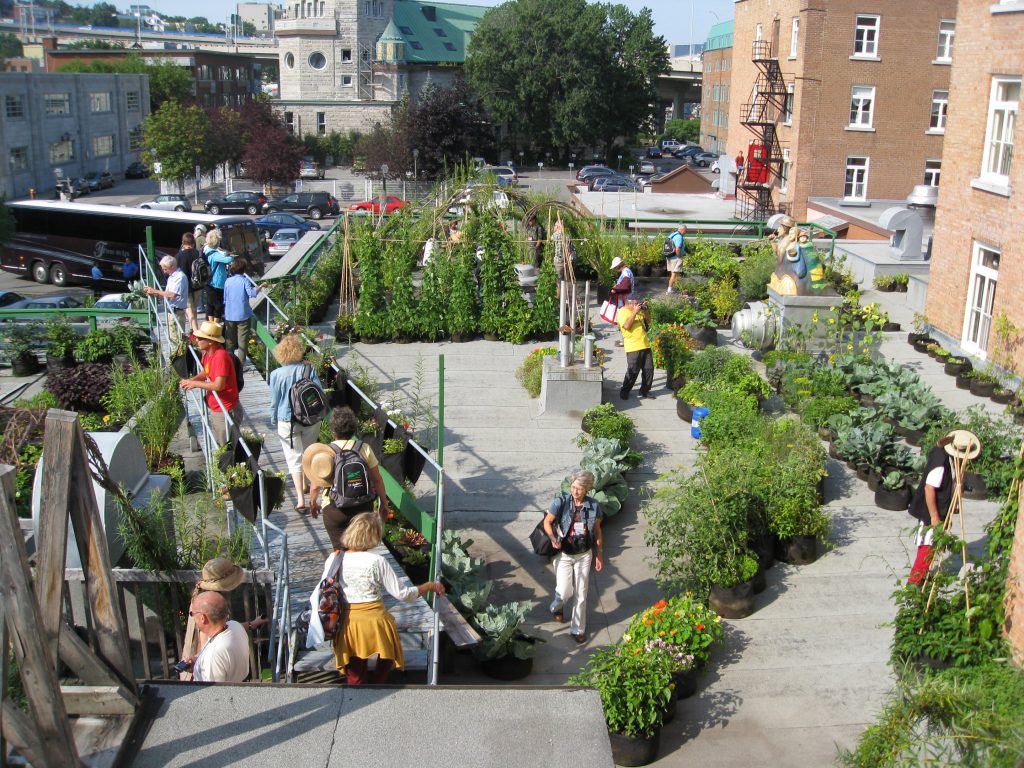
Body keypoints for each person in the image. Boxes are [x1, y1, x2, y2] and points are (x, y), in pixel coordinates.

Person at [328, 512, 445, 684]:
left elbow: (322, 589)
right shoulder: (377, 561)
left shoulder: (335, 558)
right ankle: (378, 686)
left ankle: (356, 699)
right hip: (376, 622)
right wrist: (429, 586)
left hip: (347, 622)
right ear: (373, 536)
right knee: (387, 658)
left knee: (355, 676)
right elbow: (402, 594)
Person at [302, 407, 388, 551]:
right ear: (354, 429)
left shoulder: (325, 452)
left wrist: (313, 504)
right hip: (363, 507)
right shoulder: (364, 448)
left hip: (335, 509)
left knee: (339, 553)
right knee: (360, 551)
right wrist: (384, 504)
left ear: (333, 430)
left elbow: (315, 486)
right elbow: (377, 480)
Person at [907, 430, 980, 585]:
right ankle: (915, 582)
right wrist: (934, 517)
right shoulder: (940, 463)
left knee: (930, 545)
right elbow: (929, 488)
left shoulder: (944, 454)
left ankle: (921, 576)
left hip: (939, 508)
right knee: (928, 546)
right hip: (931, 511)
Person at [180, 557, 268, 679]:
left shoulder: (210, 599)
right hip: (204, 670)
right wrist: (198, 662)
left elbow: (227, 626)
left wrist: (252, 624)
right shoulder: (205, 606)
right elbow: (206, 644)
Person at [542, 469, 604, 644]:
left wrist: (599, 554)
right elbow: (547, 522)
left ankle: (578, 629)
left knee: (581, 594)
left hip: (584, 555)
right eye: (573, 487)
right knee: (564, 591)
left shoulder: (594, 506)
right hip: (564, 554)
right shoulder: (560, 502)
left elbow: (598, 531)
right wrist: (553, 538)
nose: (575, 491)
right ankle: (557, 606)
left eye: (580, 488)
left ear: (587, 490)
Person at [269, 333, 324, 512]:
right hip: (310, 419)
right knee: (308, 454)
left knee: (294, 458)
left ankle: (300, 499)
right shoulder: (309, 370)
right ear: (299, 351)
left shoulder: (276, 374)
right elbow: (320, 393)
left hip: (287, 420)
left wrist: (273, 417)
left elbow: (274, 401)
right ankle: (310, 487)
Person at [179, 321, 243, 447]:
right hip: (218, 408)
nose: (197, 339)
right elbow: (206, 372)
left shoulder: (220, 357)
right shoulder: (208, 353)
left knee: (225, 448)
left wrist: (196, 384)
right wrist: (193, 380)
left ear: (210, 341)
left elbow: (219, 385)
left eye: (200, 338)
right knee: (223, 445)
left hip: (225, 410)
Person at [185, 591, 250, 683]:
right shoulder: (235, 626)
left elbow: (212, 694)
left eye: (192, 614)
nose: (193, 617)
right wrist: (198, 663)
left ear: (202, 618)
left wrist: (203, 664)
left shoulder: (212, 656)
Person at [223, 257, 267, 366]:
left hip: (229, 314)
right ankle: (240, 365)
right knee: (242, 340)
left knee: (230, 341)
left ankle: (229, 362)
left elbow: (225, 297)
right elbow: (252, 293)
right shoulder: (244, 280)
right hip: (242, 315)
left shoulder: (228, 281)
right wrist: (260, 286)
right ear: (243, 270)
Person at [144, 255, 188, 346]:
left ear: (172, 266)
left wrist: (155, 290)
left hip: (177, 312)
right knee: (173, 339)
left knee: (177, 340)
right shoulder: (171, 277)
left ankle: (179, 359)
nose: (164, 271)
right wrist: (153, 293)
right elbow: (167, 294)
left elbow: (172, 294)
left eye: (165, 269)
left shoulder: (180, 277)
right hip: (171, 311)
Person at [617, 299, 654, 400]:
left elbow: (648, 322)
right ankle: (625, 391)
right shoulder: (622, 312)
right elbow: (627, 326)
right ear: (629, 304)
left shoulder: (639, 311)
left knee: (649, 369)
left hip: (645, 344)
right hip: (633, 346)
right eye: (635, 303)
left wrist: (645, 311)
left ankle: (645, 390)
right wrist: (634, 312)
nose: (637, 305)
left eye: (638, 303)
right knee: (633, 370)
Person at [203, 228, 234, 323]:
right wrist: (230, 256)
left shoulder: (206, 250)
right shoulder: (214, 254)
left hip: (209, 281)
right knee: (218, 305)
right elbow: (228, 260)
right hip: (216, 283)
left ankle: (210, 323)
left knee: (210, 304)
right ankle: (215, 324)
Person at [176, 231, 203, 333]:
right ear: (193, 242)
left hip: (185, 287)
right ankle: (192, 330)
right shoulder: (198, 254)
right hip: (197, 286)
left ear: (183, 242)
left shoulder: (179, 256)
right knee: (194, 309)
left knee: (189, 310)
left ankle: (196, 332)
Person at [666, 224, 687, 294]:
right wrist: (679, 256)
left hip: (670, 257)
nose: (685, 232)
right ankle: (669, 290)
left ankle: (675, 287)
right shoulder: (679, 237)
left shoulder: (673, 235)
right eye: (685, 231)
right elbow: (677, 249)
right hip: (676, 258)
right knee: (674, 274)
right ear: (682, 230)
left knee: (674, 274)